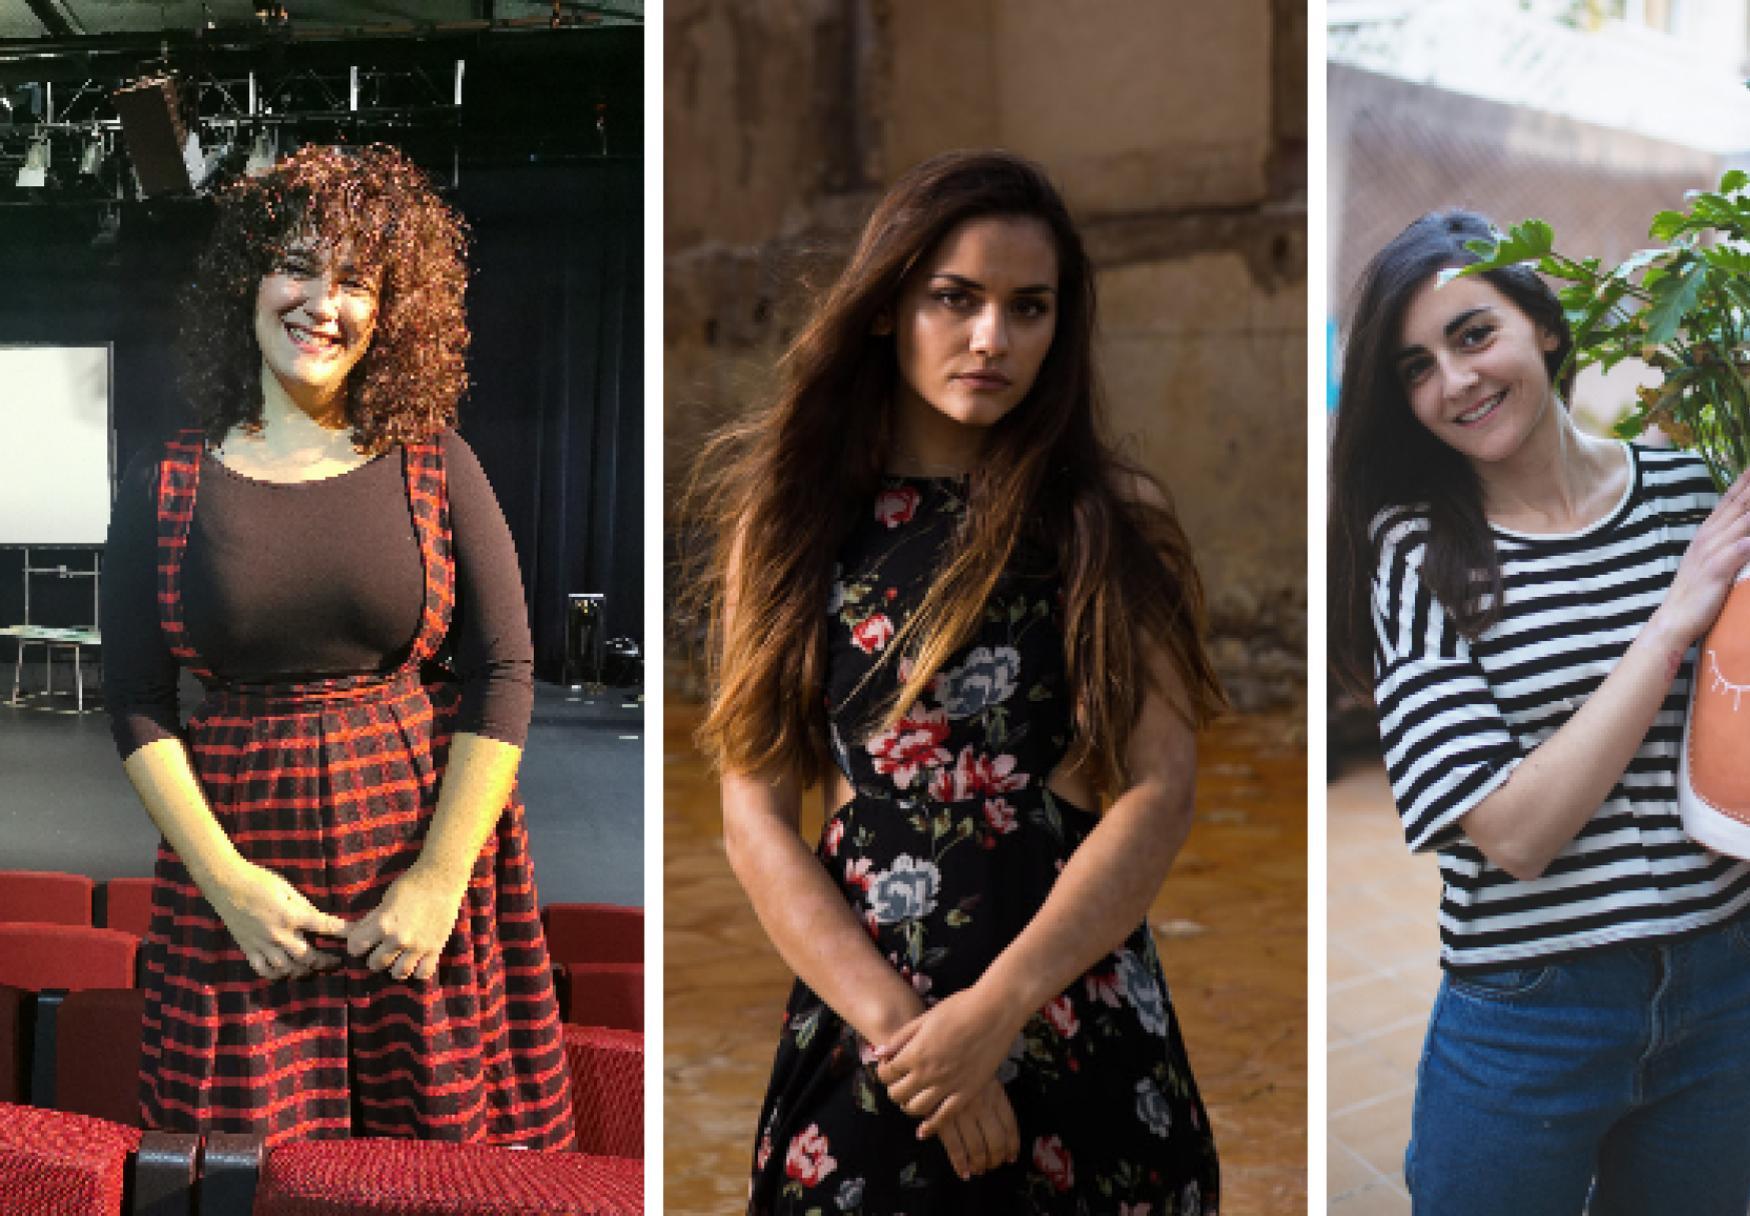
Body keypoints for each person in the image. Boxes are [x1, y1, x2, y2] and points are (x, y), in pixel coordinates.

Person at [1328, 210, 1750, 1213]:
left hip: (1727, 980)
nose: (1453, 382)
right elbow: (1514, 832)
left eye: (1471, 334)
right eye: (1414, 367)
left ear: (1542, 323)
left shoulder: (1698, 498)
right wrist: (1671, 623)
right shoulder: (1414, 547)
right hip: (1530, 1010)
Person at [687, 149, 1224, 1212]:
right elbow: (752, 816)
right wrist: (911, 1042)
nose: (993, 339)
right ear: (889, 306)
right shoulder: (795, 524)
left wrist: (997, 1012)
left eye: (1029, 308)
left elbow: (1160, 788)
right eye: (956, 299)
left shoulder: (1108, 518)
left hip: (1078, 1004)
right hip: (871, 1019)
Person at [102, 143, 573, 1148]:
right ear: (249, 282)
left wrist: (440, 880)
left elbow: (504, 671)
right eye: (298, 267)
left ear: (390, 309)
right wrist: (229, 887)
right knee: (246, 1170)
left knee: (438, 1162)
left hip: (417, 865)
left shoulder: (434, 458)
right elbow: (137, 697)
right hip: (240, 877)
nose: (323, 302)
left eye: (355, 280)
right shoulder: (166, 477)